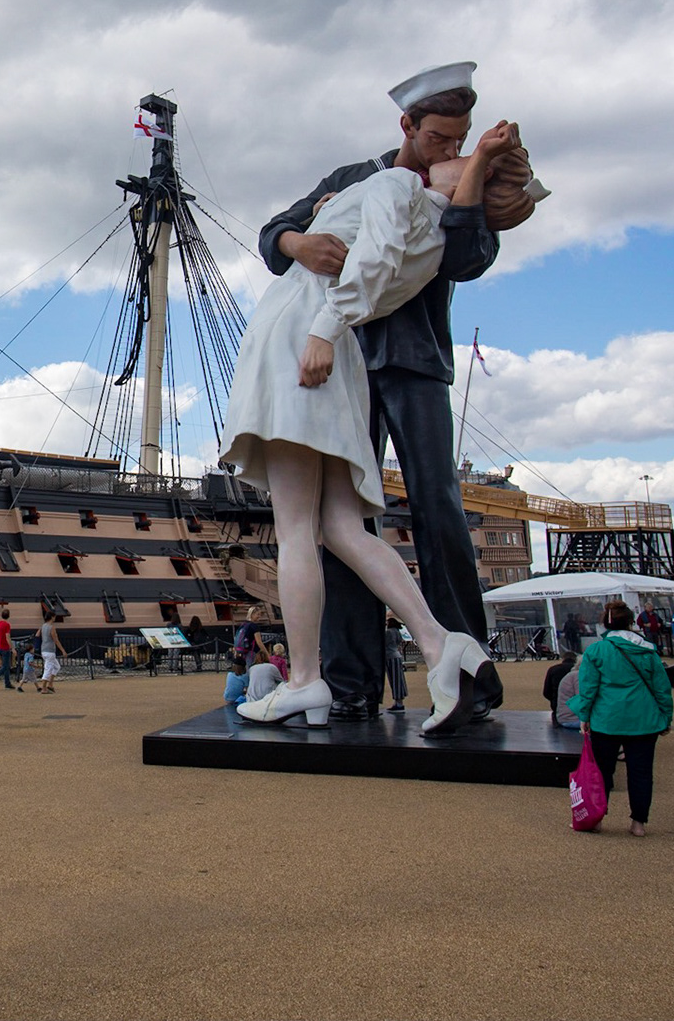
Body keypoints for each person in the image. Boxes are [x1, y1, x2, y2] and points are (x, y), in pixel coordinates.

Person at [221, 101, 528, 734]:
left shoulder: (425, 196)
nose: (448, 154)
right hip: (347, 354)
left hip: (362, 352)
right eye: (440, 141)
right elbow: (277, 231)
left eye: (460, 147)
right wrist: (297, 240)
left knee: (430, 511)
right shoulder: (369, 177)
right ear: (408, 128)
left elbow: (463, 255)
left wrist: (479, 177)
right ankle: (366, 675)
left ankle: (325, 679)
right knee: (345, 525)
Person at [566, 600, 672, 836]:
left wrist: (584, 715)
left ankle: (597, 817)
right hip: (644, 718)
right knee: (641, 772)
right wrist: (666, 716)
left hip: (608, 717)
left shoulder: (597, 650)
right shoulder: (647, 650)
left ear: (606, 622)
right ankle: (638, 822)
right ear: (631, 621)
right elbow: (661, 688)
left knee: (602, 771)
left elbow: (589, 687)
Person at [544, 653, 581, 731]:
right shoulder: (578, 676)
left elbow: (546, 692)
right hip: (572, 717)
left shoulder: (553, 669)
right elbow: (582, 699)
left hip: (559, 710)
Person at [382, 616, 409, 713]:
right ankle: (399, 702)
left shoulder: (388, 632)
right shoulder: (397, 632)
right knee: (399, 680)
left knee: (394, 680)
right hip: (396, 656)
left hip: (390, 657)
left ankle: (398, 703)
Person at [34, 614, 64, 694]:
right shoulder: (52, 627)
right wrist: (62, 650)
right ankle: (44, 687)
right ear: (52, 617)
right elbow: (56, 640)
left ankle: (50, 684)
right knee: (48, 668)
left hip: (44, 649)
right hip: (50, 650)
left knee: (56, 666)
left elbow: (37, 635)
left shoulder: (42, 626)